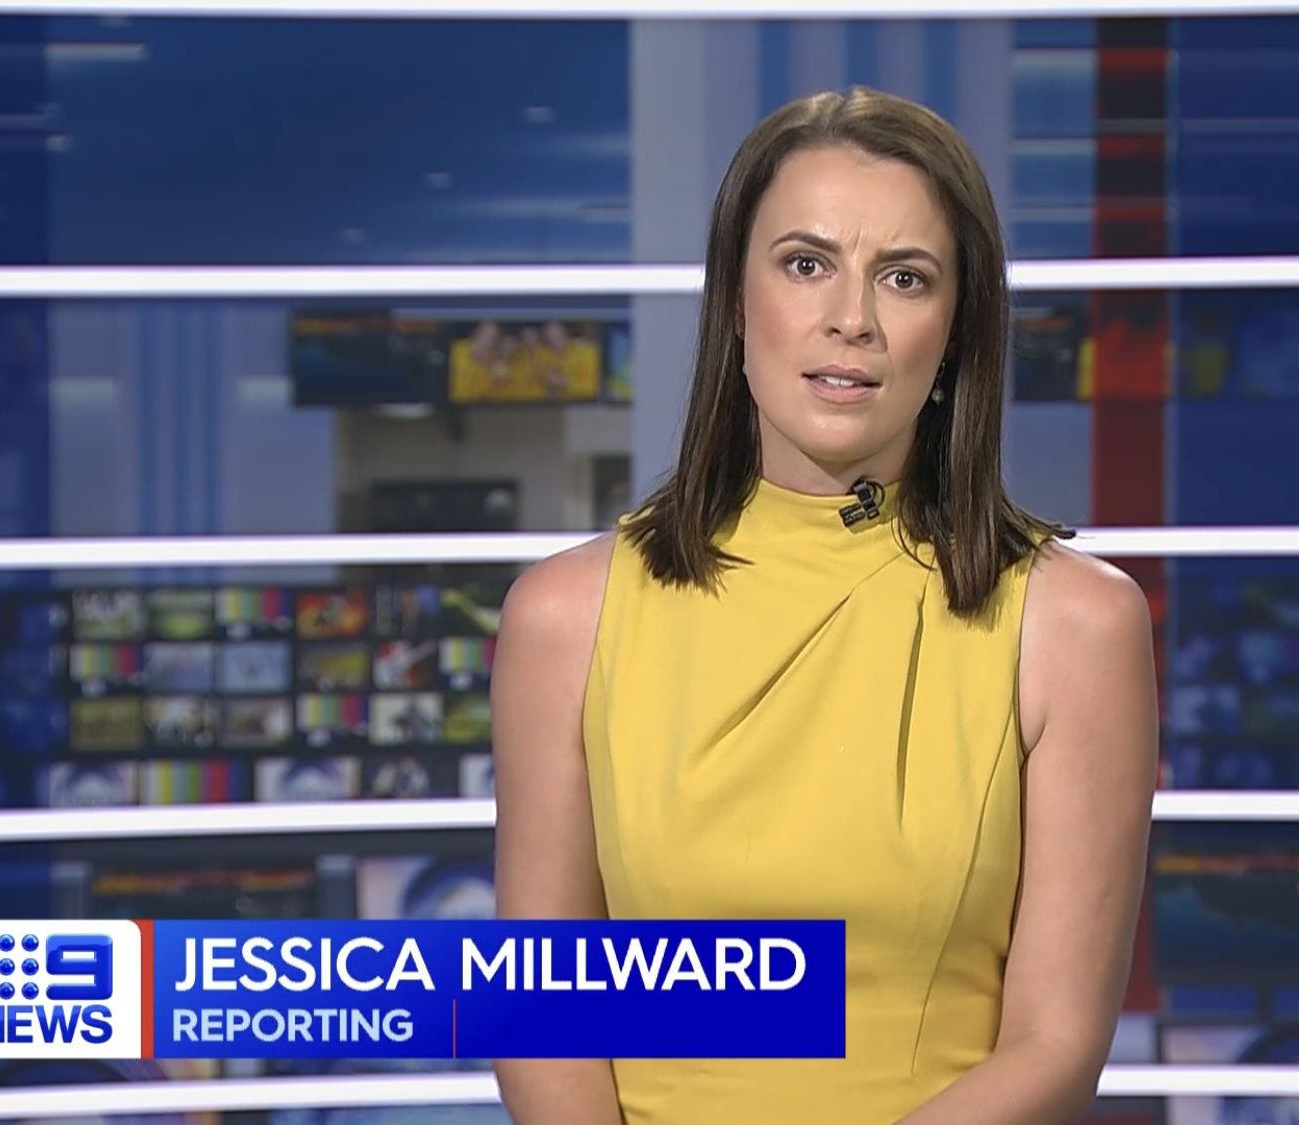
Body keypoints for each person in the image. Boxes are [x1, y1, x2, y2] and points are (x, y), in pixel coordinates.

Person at [491, 86, 1161, 1124]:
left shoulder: (1075, 627)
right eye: (806, 265)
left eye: (904, 277)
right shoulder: (564, 619)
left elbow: (1056, 1045)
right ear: (736, 299)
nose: (852, 318)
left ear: (956, 328)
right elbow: (544, 1017)